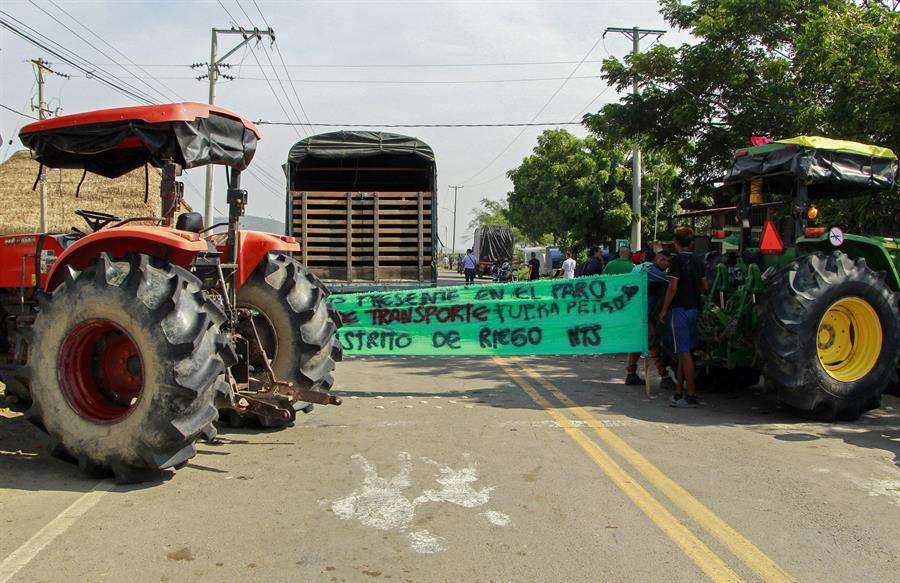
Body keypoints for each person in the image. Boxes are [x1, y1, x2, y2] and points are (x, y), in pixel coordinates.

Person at [658, 227, 709, 408]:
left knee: (684, 352)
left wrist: (664, 309)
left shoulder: (677, 261)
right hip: (694, 309)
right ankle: (679, 391)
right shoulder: (698, 260)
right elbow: (705, 286)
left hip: (679, 309)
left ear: (676, 242)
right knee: (684, 350)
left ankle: (691, 395)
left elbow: (672, 287)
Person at [624, 250, 675, 388]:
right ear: (660, 259)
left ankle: (631, 374)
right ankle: (664, 375)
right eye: (667, 261)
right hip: (643, 313)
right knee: (652, 343)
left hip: (635, 311)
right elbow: (670, 281)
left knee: (638, 343)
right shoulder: (651, 270)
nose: (668, 265)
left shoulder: (639, 267)